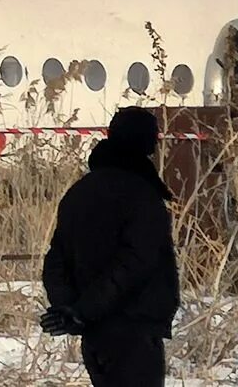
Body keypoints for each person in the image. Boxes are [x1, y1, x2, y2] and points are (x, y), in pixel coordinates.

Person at [40, 106, 179, 386]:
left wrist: (70, 309)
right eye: (154, 136)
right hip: (134, 333)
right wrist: (81, 311)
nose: (156, 143)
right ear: (144, 142)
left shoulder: (79, 193)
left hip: (95, 337)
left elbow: (55, 261)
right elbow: (135, 264)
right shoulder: (142, 195)